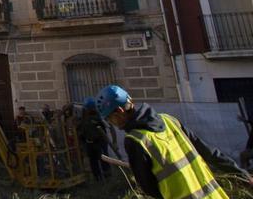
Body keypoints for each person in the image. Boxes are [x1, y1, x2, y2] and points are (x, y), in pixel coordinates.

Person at [96, 85, 251, 199]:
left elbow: (149, 188)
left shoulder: (136, 141)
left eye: (110, 118)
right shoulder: (169, 120)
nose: (112, 123)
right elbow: (208, 151)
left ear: (119, 112)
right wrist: (243, 175)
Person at [78, 97, 110, 180]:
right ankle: (97, 178)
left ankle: (108, 178)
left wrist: (113, 141)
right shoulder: (83, 119)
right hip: (89, 143)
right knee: (93, 162)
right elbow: (81, 131)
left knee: (104, 160)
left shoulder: (99, 118)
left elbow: (109, 128)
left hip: (100, 143)